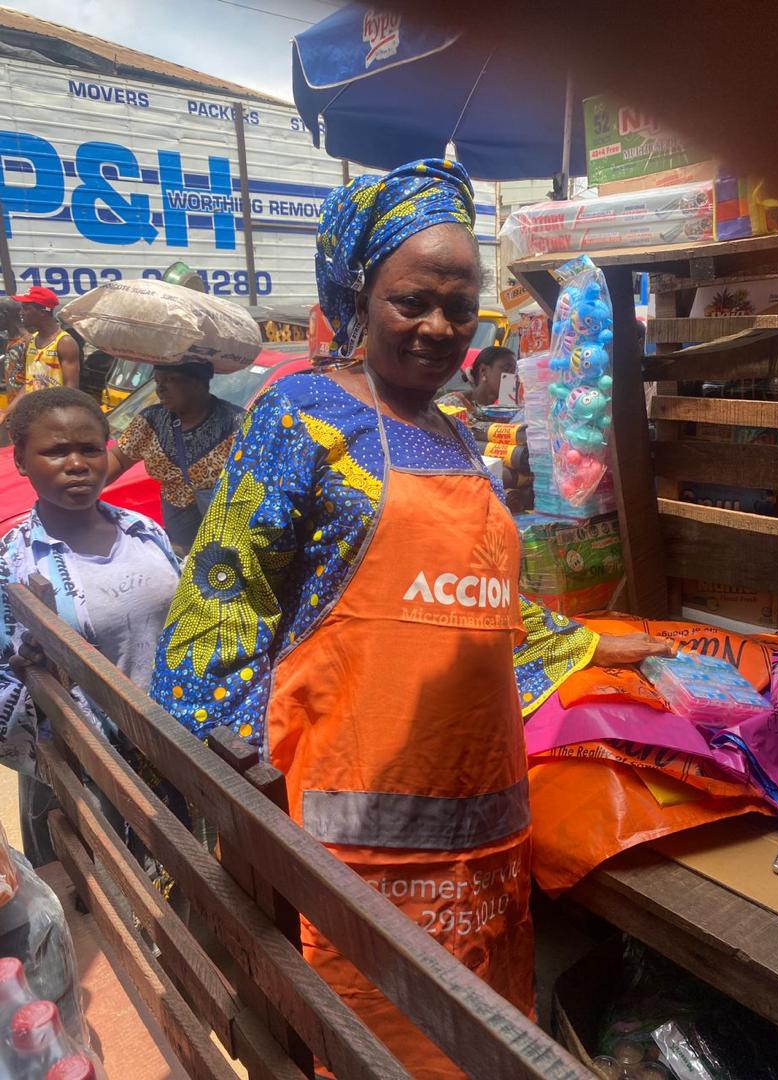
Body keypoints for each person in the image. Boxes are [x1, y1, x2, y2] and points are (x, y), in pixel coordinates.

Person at [151, 159, 672, 1078]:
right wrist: (232, 799)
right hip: (347, 845)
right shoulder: (302, 415)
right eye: (412, 302)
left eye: (460, 307)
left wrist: (592, 640)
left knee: (475, 1042)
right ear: (360, 294)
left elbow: (481, 600)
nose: (439, 327)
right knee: (371, 1047)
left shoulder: (458, 432)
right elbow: (219, 611)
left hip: (482, 833)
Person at [0, 387, 181, 865]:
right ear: (21, 461)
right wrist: (30, 669)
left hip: (170, 746)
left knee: (175, 876)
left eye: (90, 449)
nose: (77, 464)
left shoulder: (145, 533)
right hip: (79, 766)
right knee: (97, 884)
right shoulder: (14, 563)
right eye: (56, 451)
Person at [105, 361, 245, 555]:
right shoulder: (151, 421)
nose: (160, 389)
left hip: (226, 529)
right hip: (178, 528)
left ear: (199, 382)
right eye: (157, 381)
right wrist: (87, 489)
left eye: (170, 380)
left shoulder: (236, 424)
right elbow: (119, 458)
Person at [438, 344, 517, 416]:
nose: (512, 378)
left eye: (514, 372)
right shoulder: (450, 405)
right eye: (507, 370)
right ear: (483, 371)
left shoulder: (500, 412)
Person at [0, 298, 29, 405]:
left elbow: (33, 379)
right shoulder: (12, 340)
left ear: (4, 315)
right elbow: (17, 375)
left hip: (25, 405)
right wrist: (7, 385)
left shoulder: (27, 342)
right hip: (13, 405)